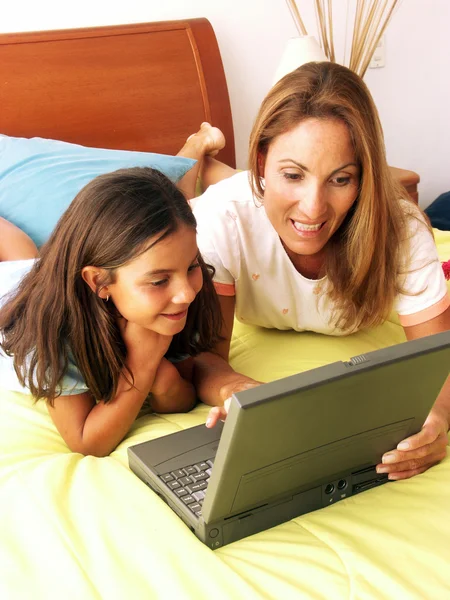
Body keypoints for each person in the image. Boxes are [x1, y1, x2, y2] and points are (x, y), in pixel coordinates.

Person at [184, 62, 450, 482]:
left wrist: (437, 419)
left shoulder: (401, 227)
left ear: (364, 179)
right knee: (179, 188)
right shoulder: (223, 217)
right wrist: (233, 387)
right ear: (261, 162)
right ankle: (195, 152)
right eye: (292, 174)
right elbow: (203, 356)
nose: (313, 207)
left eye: (340, 179)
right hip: (224, 197)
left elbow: (440, 360)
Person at [0, 166, 223, 457]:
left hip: (37, 272)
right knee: (19, 257)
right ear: (99, 281)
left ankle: (195, 149)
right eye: (159, 281)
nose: (187, 293)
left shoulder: (177, 294)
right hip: (12, 291)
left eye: (192, 266)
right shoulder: (53, 325)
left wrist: (165, 380)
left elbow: (182, 395)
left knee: (24, 253)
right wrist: (141, 365)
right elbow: (87, 442)